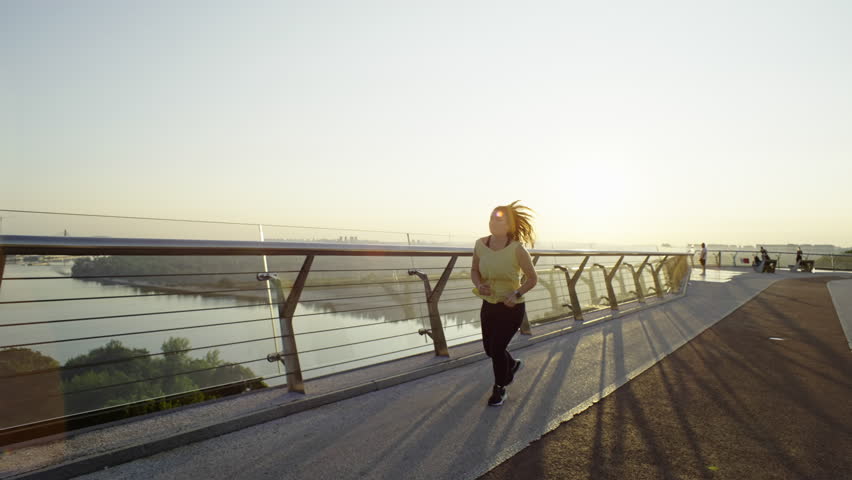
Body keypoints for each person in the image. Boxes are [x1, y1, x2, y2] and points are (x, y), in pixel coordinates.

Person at [471, 201, 538, 407]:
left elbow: (531, 278)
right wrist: (480, 284)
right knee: (489, 350)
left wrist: (516, 293)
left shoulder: (517, 249)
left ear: (509, 225)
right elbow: (474, 271)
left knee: (498, 349)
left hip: (511, 307)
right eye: (491, 218)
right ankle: (512, 364)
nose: (493, 222)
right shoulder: (480, 244)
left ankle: (500, 388)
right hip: (489, 305)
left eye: (498, 219)